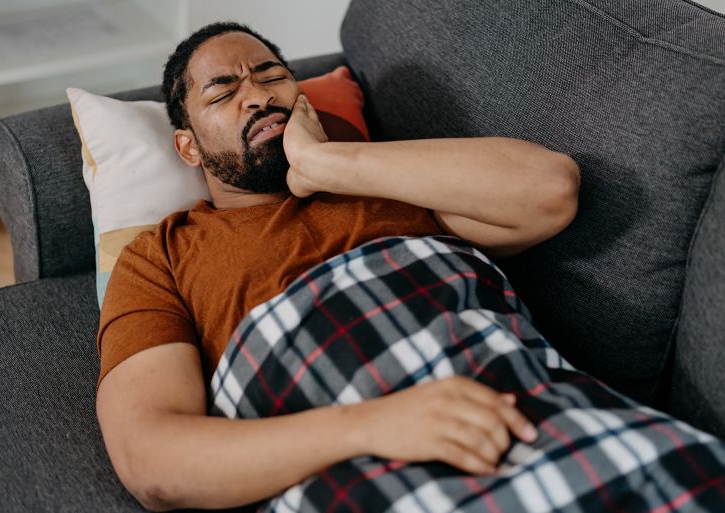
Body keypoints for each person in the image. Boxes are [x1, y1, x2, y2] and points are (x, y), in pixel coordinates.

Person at [95, 22, 580, 512]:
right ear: (189, 147)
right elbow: (150, 460)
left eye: (271, 76)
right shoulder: (162, 256)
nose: (258, 97)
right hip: (367, 472)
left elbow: (551, 190)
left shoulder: (390, 182)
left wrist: (320, 163)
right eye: (223, 91)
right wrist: (376, 424)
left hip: (534, 413)